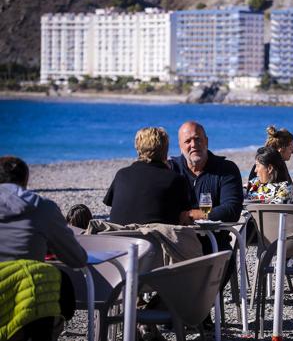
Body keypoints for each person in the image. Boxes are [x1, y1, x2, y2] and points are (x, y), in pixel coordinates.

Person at [0, 156, 87, 339]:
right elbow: (77, 258)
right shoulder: (43, 208)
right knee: (60, 282)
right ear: (25, 180)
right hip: (29, 299)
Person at [169, 121, 244, 249]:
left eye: (198, 139)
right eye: (188, 141)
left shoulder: (226, 169)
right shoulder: (171, 169)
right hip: (177, 247)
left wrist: (191, 215)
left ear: (206, 141)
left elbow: (232, 210)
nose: (193, 145)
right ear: (180, 146)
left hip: (215, 247)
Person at [104, 127, 192, 226]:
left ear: (138, 148)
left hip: (119, 238)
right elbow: (184, 217)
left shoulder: (122, 175)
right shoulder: (176, 180)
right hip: (156, 239)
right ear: (166, 150)